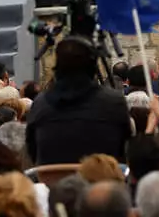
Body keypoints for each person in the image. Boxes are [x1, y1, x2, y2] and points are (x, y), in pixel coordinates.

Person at [26, 37, 132, 165]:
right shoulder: (113, 102)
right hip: (103, 179)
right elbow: (124, 149)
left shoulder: (40, 104)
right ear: (92, 66)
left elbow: (32, 151)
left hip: (52, 181)